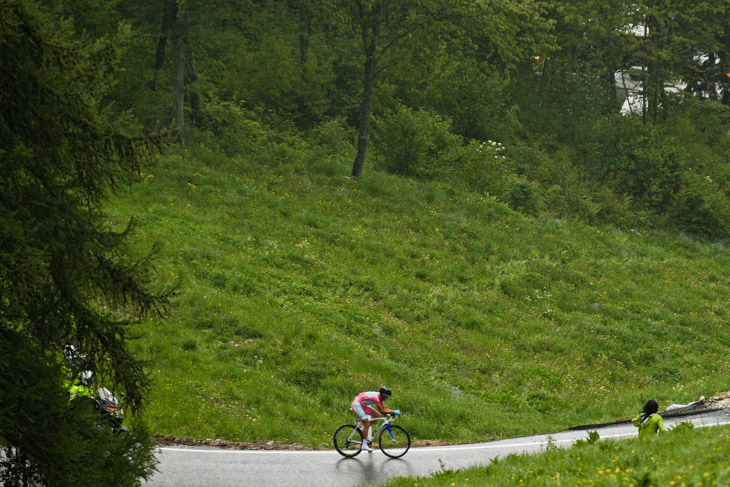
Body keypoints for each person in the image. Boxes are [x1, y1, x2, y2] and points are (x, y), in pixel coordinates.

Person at [351, 386, 400, 451]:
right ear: (382, 395)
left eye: (387, 397)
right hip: (357, 405)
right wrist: (393, 411)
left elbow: (384, 408)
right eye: (386, 397)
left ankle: (363, 429)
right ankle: (364, 445)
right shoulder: (376, 398)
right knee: (367, 424)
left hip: (363, 405)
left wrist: (392, 411)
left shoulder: (380, 397)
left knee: (378, 416)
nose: (386, 399)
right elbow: (382, 411)